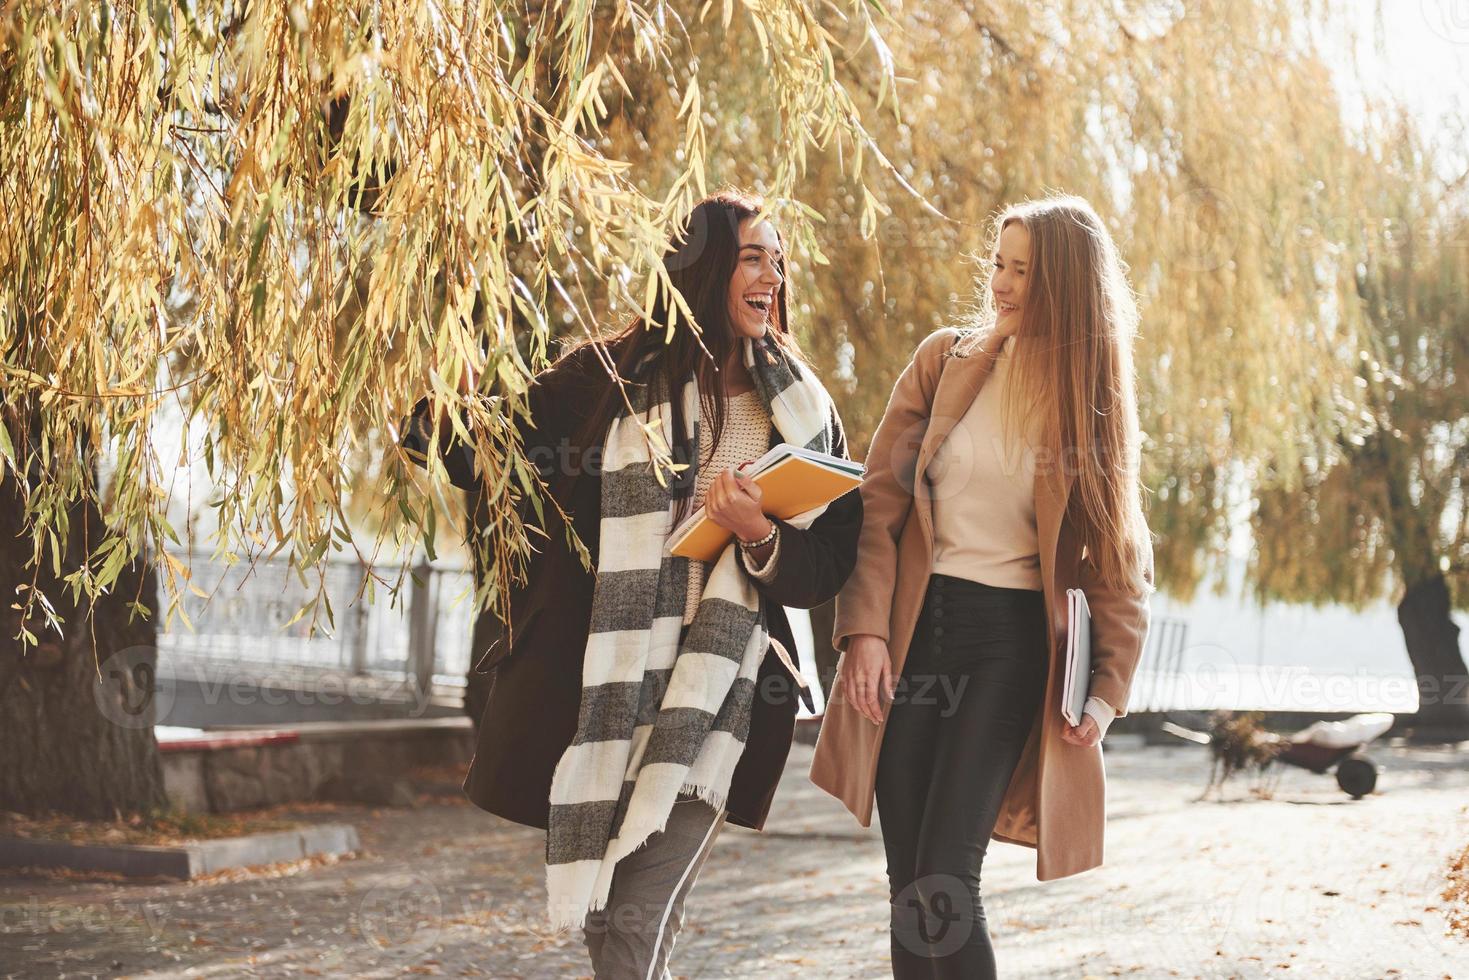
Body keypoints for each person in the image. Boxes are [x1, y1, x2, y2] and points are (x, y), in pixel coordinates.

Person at [401, 190, 862, 979]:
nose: (771, 278)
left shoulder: (803, 414)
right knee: (610, 912)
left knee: (639, 917)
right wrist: (440, 405)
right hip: (604, 690)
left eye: (778, 264)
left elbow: (826, 564)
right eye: (753, 257)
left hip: (723, 695)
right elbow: (491, 455)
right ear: (704, 267)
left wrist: (757, 533)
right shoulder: (606, 380)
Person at [809, 194, 1156, 978]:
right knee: (908, 888)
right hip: (912, 633)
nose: (999, 283)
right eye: (997, 263)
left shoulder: (1087, 403)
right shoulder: (943, 361)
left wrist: (1104, 695)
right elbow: (879, 507)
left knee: (945, 876)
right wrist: (862, 633)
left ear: (1062, 285)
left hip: (1008, 651)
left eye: (1021, 271)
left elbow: (1118, 562)